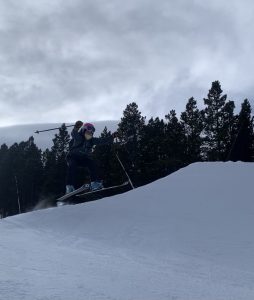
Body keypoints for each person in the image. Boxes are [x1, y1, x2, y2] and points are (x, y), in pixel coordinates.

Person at [65, 121, 117, 194]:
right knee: (72, 165)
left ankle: (95, 183)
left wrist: (112, 136)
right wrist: (77, 127)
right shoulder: (79, 137)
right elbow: (74, 133)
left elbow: (102, 141)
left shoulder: (92, 140)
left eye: (92, 132)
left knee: (92, 164)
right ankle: (69, 186)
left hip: (83, 159)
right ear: (83, 130)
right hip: (73, 157)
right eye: (88, 131)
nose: (90, 133)